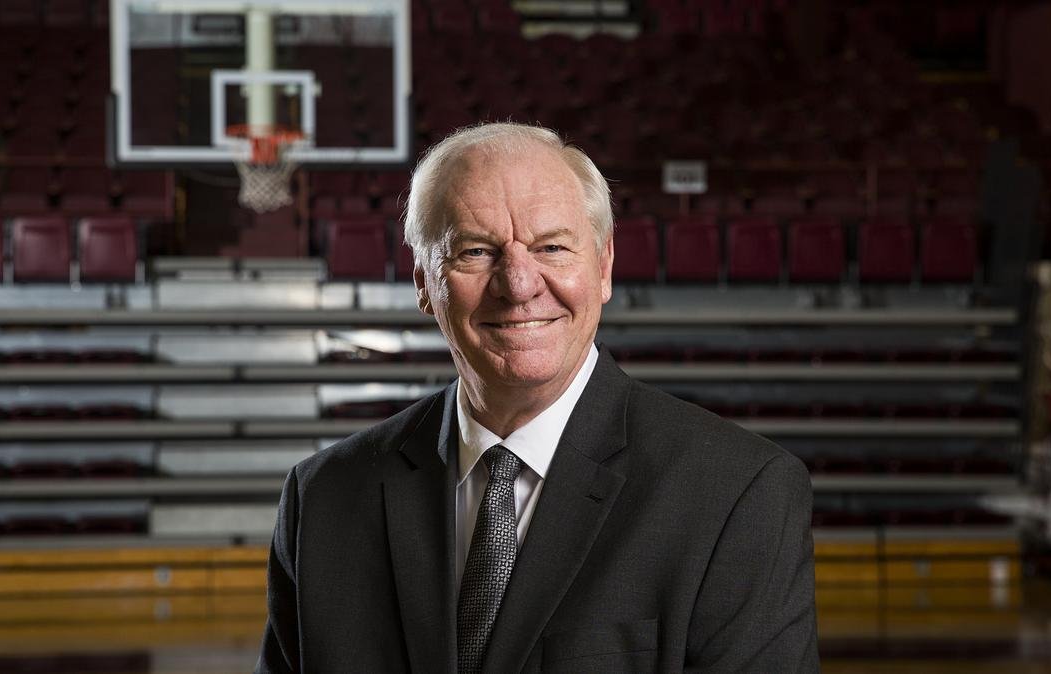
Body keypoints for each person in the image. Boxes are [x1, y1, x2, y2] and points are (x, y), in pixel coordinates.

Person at [255, 122, 819, 673]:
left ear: (603, 267)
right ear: (424, 282)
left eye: (551, 247)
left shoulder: (737, 494)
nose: (519, 284)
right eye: (475, 252)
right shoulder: (322, 499)